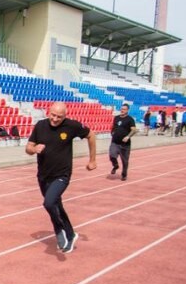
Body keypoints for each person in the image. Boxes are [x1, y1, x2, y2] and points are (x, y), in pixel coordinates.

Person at [26, 101, 96, 254]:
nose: (55, 119)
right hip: (43, 175)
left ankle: (59, 230)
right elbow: (28, 147)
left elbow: (91, 135)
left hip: (62, 175)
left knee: (49, 203)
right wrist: (34, 149)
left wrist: (92, 160)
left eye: (59, 117)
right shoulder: (40, 126)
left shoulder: (71, 126)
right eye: (53, 115)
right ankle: (70, 234)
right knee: (56, 206)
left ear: (65, 116)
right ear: (48, 112)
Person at [109, 102, 137, 181]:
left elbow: (134, 130)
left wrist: (128, 136)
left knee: (125, 161)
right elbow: (113, 127)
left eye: (124, 109)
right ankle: (115, 165)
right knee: (112, 155)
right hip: (115, 141)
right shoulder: (116, 118)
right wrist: (112, 132)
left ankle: (124, 174)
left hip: (125, 144)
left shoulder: (130, 119)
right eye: (121, 109)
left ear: (127, 110)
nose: (122, 110)